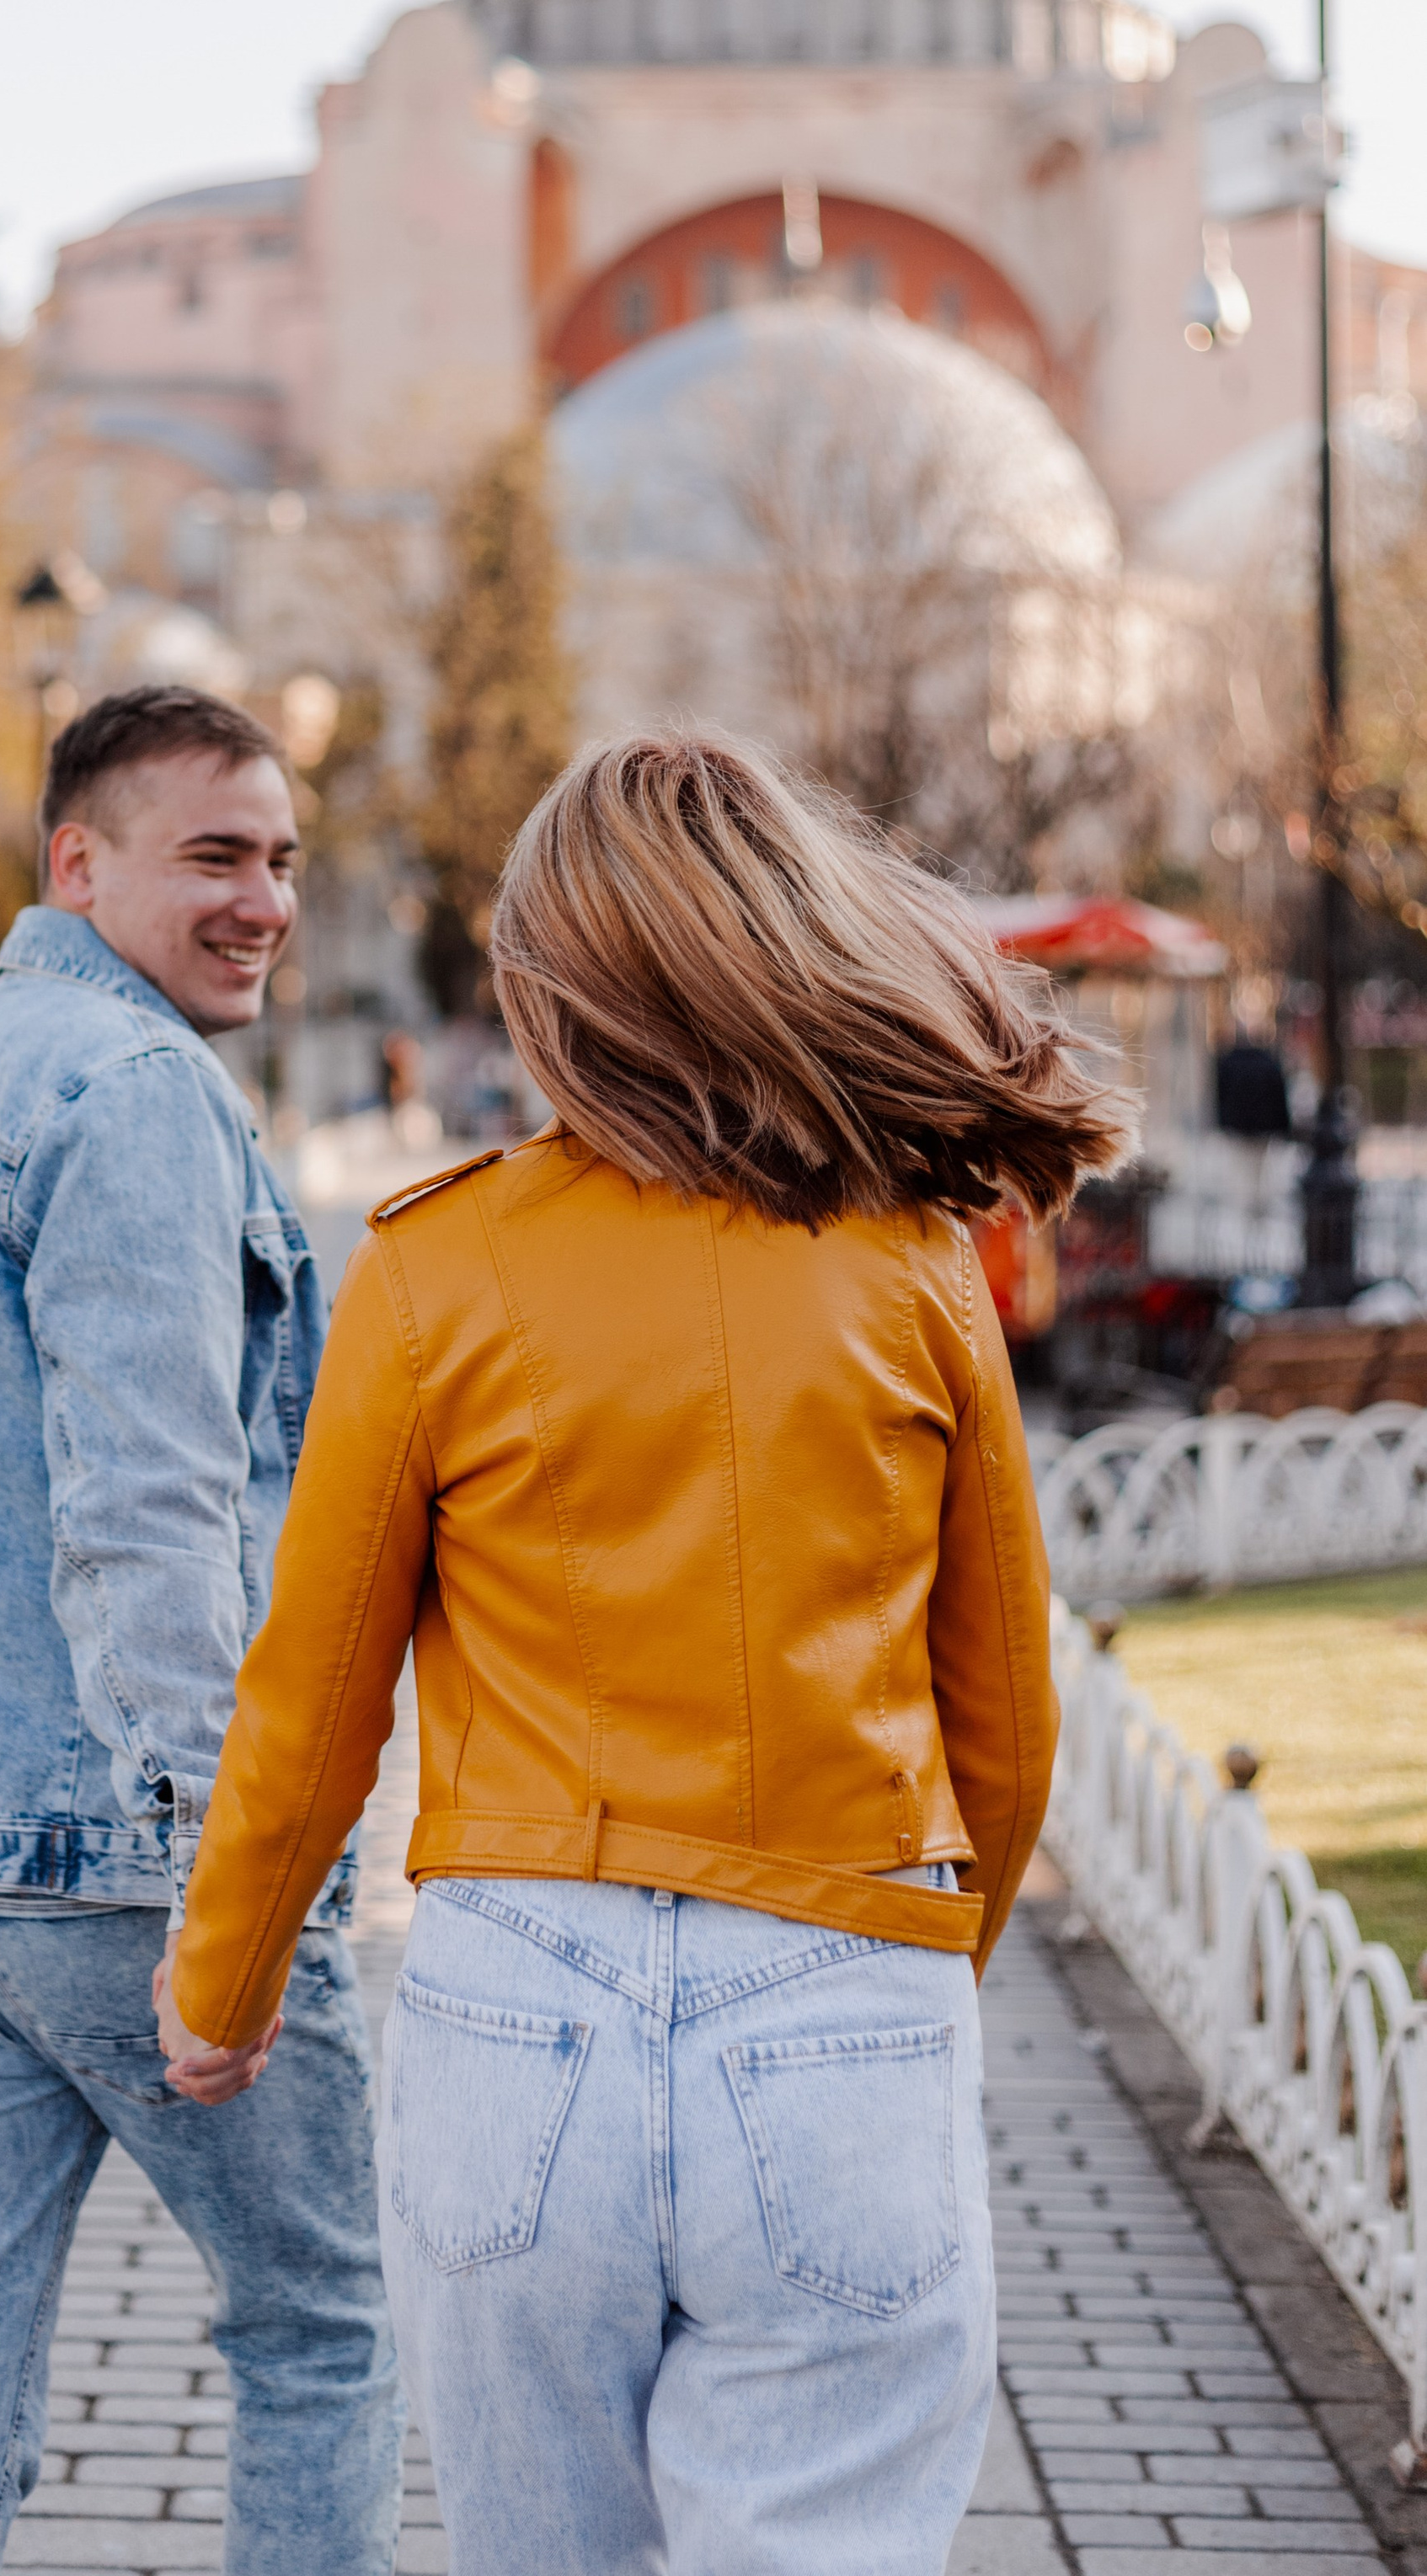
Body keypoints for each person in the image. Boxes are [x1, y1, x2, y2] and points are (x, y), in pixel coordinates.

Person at [160, 729, 1133, 2576]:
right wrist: (924, 1974)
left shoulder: (433, 1268)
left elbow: (313, 1695)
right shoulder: (912, 1264)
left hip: (514, 2008)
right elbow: (1001, 1711)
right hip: (845, 1962)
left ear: (546, 994)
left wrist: (221, 1987)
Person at [0, 684, 402, 2576]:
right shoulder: (131, 1097)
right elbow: (150, 1513)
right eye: (214, 855)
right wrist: (242, 1869)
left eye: (282, 860)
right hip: (115, 1855)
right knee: (317, 2330)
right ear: (78, 861)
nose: (263, 901)